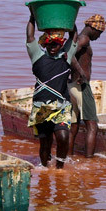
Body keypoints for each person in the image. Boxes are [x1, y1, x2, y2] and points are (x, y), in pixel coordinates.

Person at [26, 13, 79, 168]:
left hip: (61, 106)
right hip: (41, 107)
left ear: (61, 45)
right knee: (45, 144)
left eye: (56, 44)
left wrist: (71, 17)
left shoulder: (66, 57)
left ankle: (59, 169)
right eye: (50, 45)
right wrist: (32, 15)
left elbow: (74, 37)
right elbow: (30, 36)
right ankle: (45, 169)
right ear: (45, 45)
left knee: (63, 137)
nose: (53, 47)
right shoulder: (37, 56)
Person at [68, 13, 106, 157]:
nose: (99, 36)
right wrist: (81, 72)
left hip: (72, 86)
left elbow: (68, 56)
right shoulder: (84, 39)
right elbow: (69, 55)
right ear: (93, 28)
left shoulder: (78, 38)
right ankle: (89, 161)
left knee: (74, 126)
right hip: (82, 87)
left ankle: (68, 158)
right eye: (99, 33)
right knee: (92, 126)